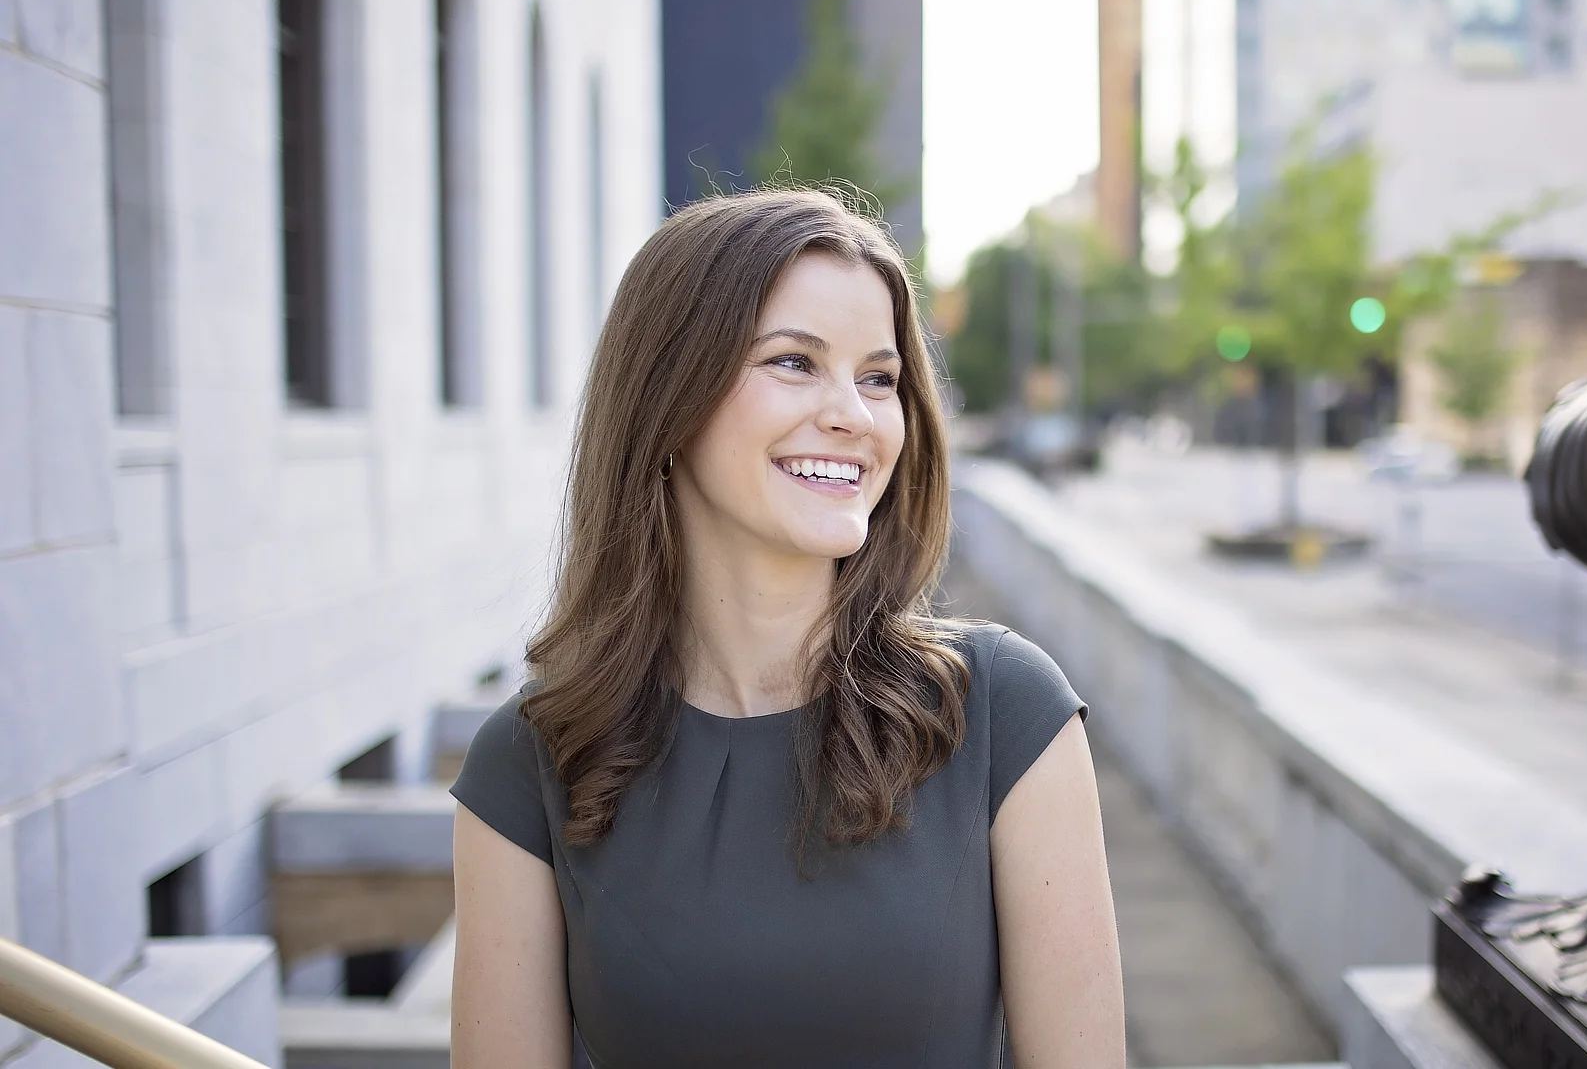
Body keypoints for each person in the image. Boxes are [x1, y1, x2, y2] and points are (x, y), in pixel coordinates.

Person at [449, 189, 1125, 1068]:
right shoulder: (532, 760)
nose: (853, 413)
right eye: (795, 363)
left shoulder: (1002, 713)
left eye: (879, 378)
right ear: (667, 398)